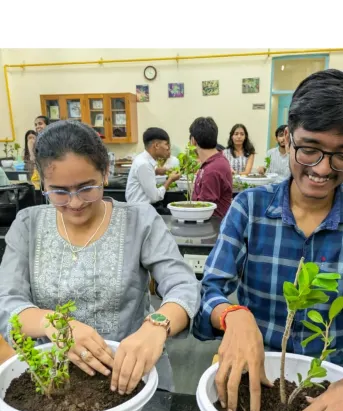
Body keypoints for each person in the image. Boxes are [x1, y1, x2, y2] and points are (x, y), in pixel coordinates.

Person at [194, 68, 343, 411]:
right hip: (255, 370)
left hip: (325, 377)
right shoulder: (250, 209)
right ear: (288, 137)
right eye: (310, 149)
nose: (323, 169)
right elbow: (211, 290)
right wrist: (232, 315)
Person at [0, 120, 200, 394]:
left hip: (130, 370)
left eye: (86, 188)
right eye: (59, 192)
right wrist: (56, 325)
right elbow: (7, 300)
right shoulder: (28, 225)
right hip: (53, 381)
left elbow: (183, 285)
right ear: (42, 183)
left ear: (105, 173)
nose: (75, 202)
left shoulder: (139, 221)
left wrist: (157, 326)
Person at [189, 117, 233, 219]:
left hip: (211, 227)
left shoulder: (212, 169)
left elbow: (203, 209)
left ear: (193, 141)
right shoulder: (216, 161)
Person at [126, 127, 181, 205]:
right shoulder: (144, 164)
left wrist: (155, 172)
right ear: (156, 145)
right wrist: (170, 180)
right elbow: (155, 197)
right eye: (166, 144)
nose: (168, 148)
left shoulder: (142, 159)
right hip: (141, 210)